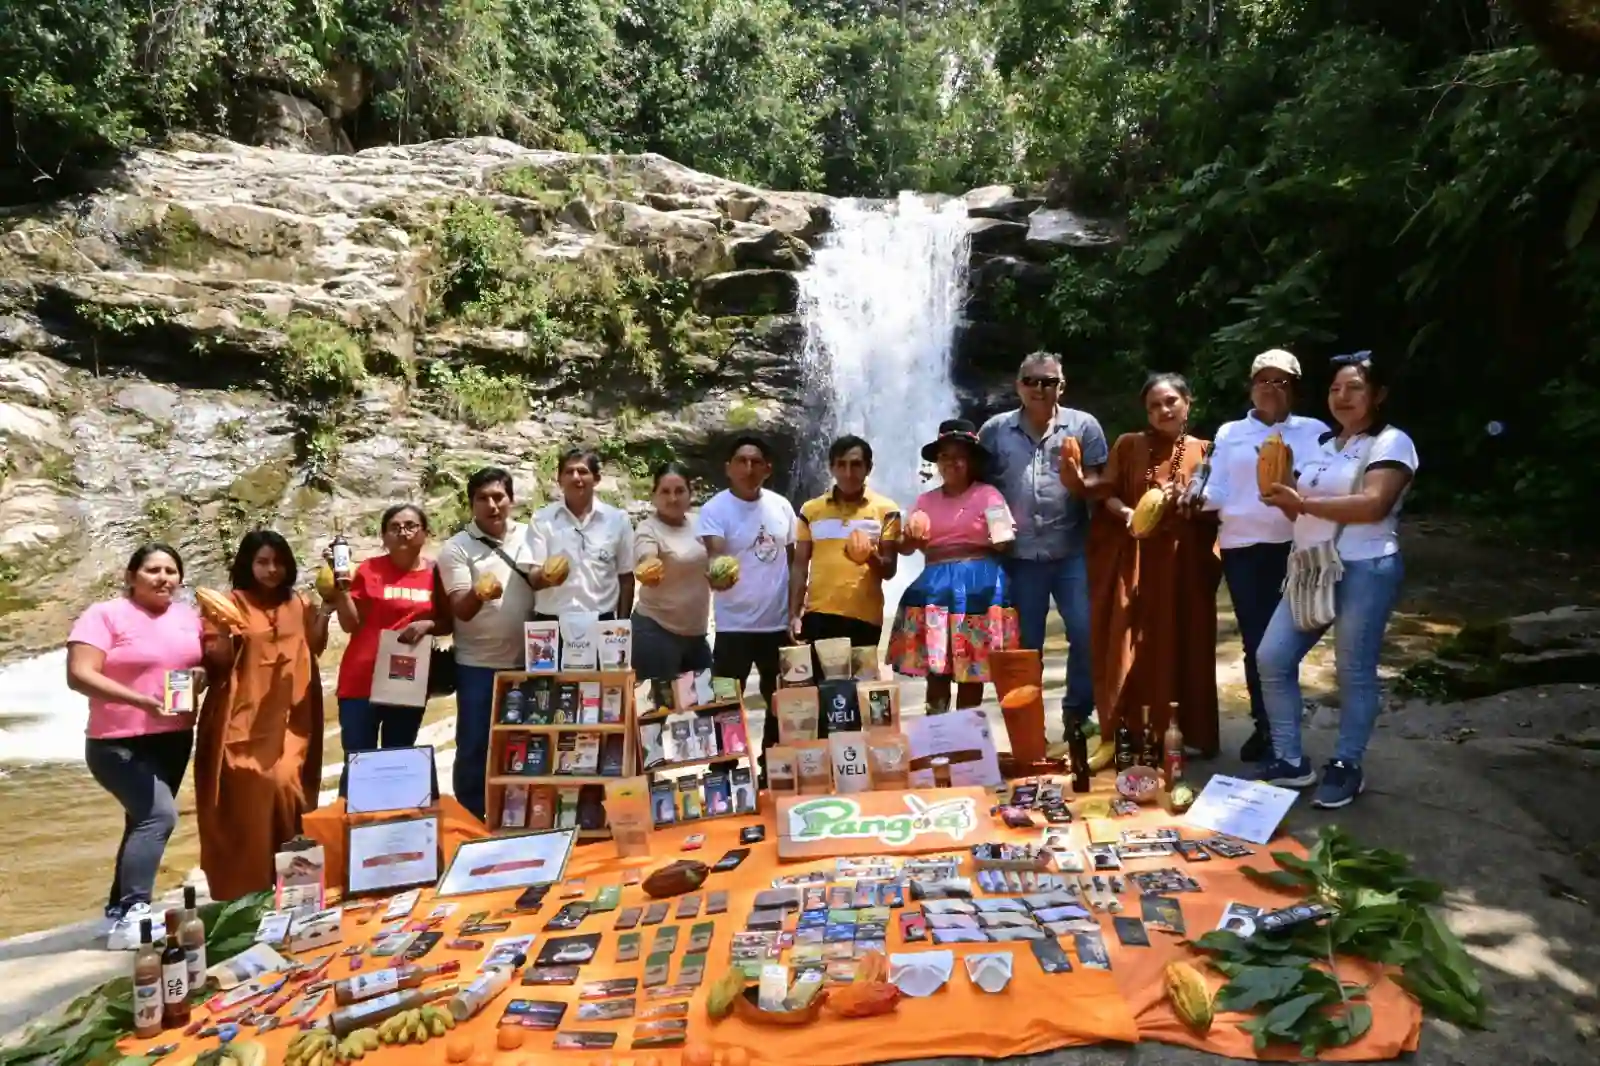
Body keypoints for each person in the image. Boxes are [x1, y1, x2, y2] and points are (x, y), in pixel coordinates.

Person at [1253, 352, 1418, 808]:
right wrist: (1280, 494)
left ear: (1379, 395)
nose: (1342, 397)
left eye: (1355, 388)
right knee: (1272, 657)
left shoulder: (1392, 442)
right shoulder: (1324, 447)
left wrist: (1302, 505)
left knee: (1354, 670)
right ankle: (1290, 759)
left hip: (1366, 567)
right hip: (1311, 566)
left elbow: (1372, 505)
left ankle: (1346, 764)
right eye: (1335, 389)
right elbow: (1299, 506)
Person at [1063, 373, 1221, 755]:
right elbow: (1108, 496)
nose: (1163, 410)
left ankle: (1188, 734)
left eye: (1170, 401)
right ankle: (1130, 731)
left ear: (1188, 402)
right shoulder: (1130, 445)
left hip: (1184, 564)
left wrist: (1190, 501)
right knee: (1127, 642)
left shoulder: (1207, 450)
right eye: (1154, 405)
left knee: (1187, 641)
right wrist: (1129, 514)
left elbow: (1219, 506)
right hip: (1135, 560)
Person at [67, 544, 205, 949]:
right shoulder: (104, 615)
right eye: (152, 570)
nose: (163, 578)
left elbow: (200, 664)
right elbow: (79, 675)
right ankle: (134, 913)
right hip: (116, 741)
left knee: (140, 821)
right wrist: (138, 700)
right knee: (157, 817)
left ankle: (115, 914)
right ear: (131, 576)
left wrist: (199, 674)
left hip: (174, 737)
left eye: (171, 570)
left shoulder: (186, 616)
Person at [1200, 349, 1330, 762]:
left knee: (1285, 646)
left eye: (1281, 381)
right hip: (1242, 548)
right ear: (1251, 386)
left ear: (1294, 389)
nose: (1271, 388)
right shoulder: (1229, 433)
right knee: (1256, 644)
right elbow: (1216, 489)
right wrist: (1189, 498)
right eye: (1263, 380)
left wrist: (1287, 474)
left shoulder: (1314, 432)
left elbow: (1325, 488)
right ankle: (1266, 727)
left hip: (1298, 548)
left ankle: (1283, 731)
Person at [195, 530, 328, 900]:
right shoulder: (230, 603)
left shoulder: (299, 602)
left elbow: (314, 646)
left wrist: (328, 609)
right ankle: (247, 893)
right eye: (263, 562)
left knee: (289, 789)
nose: (272, 570)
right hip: (243, 715)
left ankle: (298, 891)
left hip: (292, 715)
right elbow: (218, 662)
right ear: (247, 565)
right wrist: (220, 630)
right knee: (249, 799)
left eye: (278, 562)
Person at [980, 352, 1107, 734]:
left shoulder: (1083, 426)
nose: (1039, 388)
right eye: (1031, 381)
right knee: (1025, 646)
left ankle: (1076, 715)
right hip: (1017, 556)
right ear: (1018, 385)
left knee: (1086, 633)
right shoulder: (994, 431)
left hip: (1072, 549)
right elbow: (980, 488)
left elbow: (1103, 483)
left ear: (1061, 387)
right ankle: (1028, 726)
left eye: (1048, 381)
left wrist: (1081, 485)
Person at [888, 419, 1021, 710]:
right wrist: (908, 534)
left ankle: (968, 738)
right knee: (937, 670)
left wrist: (1000, 534)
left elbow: (1004, 542)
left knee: (971, 672)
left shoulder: (988, 495)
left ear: (971, 460)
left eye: (959, 455)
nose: (952, 462)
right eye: (945, 456)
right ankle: (939, 737)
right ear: (937, 462)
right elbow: (908, 549)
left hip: (978, 589)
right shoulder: (925, 500)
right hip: (936, 589)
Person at [437, 467, 538, 820]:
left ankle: (522, 813)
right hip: (477, 665)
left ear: (511, 499)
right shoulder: (456, 549)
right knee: (475, 746)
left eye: (499, 497)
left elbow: (544, 583)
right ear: (471, 504)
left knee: (527, 742)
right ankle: (470, 818)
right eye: (483, 498)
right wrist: (479, 594)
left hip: (530, 660)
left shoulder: (532, 535)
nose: (492, 505)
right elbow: (461, 610)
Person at [328, 503, 452, 750]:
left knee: (397, 761)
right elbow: (349, 624)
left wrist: (427, 624)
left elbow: (448, 623)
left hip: (406, 682)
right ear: (384, 537)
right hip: (361, 681)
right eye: (394, 528)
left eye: (410, 526)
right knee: (358, 763)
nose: (403, 532)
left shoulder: (437, 573)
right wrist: (341, 589)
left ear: (425, 533)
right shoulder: (367, 570)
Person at [699, 435, 797, 744]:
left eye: (756, 462)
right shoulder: (715, 508)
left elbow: (796, 563)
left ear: (768, 469)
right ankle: (726, 775)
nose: (749, 468)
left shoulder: (782, 507)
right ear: (728, 468)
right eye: (742, 461)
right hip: (733, 627)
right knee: (725, 705)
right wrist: (716, 574)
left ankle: (772, 769)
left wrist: (797, 610)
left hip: (777, 625)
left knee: (782, 704)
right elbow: (715, 552)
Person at [789, 434, 899, 661]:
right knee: (820, 690)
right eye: (841, 465)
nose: (848, 473)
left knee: (863, 690)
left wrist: (868, 555)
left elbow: (889, 571)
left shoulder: (887, 509)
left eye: (856, 465)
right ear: (831, 468)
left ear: (868, 468)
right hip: (818, 615)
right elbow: (800, 567)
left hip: (865, 617)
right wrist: (794, 613)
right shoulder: (810, 510)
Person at [527, 448, 635, 620]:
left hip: (601, 620)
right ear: (560, 480)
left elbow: (626, 577)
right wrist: (547, 577)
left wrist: (621, 624)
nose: (576, 477)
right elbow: (532, 577)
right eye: (569, 472)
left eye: (583, 472)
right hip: (552, 621)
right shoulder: (541, 520)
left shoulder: (617, 520)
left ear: (596, 479)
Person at [631, 462, 713, 680]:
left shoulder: (701, 523)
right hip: (655, 633)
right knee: (656, 711)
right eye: (665, 492)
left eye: (679, 491)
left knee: (713, 708)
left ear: (690, 494)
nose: (673, 498)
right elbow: (647, 556)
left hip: (696, 634)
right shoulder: (648, 529)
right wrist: (649, 567)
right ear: (654, 496)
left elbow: (716, 559)